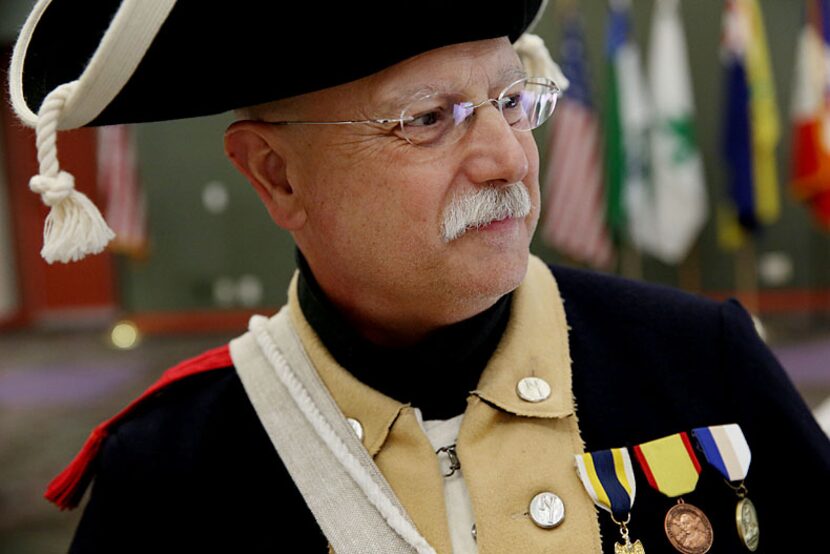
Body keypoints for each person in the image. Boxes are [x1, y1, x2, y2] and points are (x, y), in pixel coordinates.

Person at [8, 1, 829, 553]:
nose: (510, 159)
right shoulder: (168, 473)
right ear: (276, 177)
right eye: (430, 120)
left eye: (513, 101)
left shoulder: (701, 362)